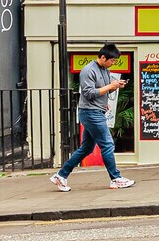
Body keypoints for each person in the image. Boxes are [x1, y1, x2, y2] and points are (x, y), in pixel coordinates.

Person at [51, 43, 135, 191]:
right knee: (107, 144)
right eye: (112, 61)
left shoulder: (104, 70)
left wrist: (114, 87)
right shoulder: (88, 71)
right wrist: (110, 87)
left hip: (95, 111)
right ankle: (115, 178)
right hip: (91, 113)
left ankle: (61, 175)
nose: (113, 64)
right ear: (103, 57)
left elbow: (101, 91)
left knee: (87, 148)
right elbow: (89, 93)